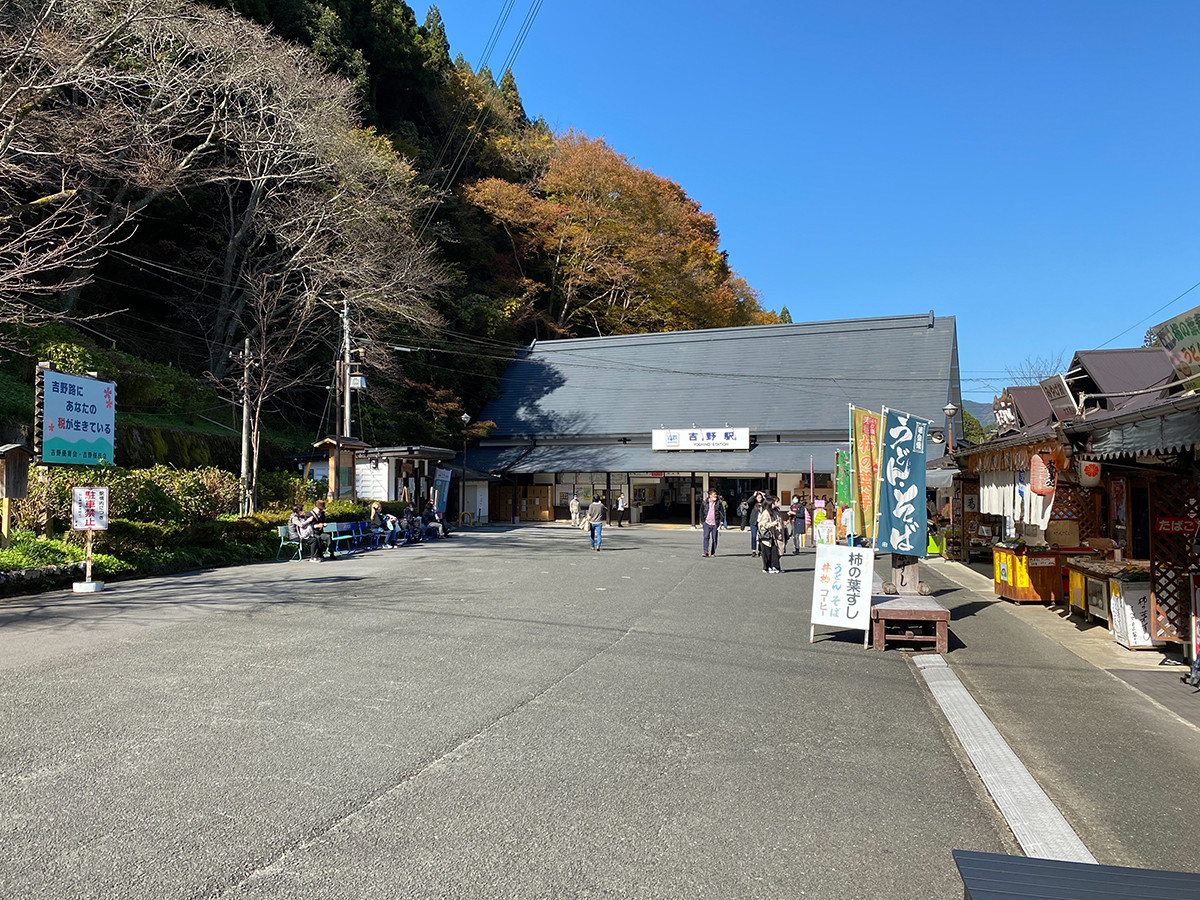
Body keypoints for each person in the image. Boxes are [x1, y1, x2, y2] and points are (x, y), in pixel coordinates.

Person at [757, 496, 783, 573]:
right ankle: (766, 567)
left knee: (774, 551)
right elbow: (763, 524)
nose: (774, 504)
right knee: (766, 552)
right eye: (773, 503)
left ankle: (774, 567)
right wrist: (774, 523)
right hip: (766, 535)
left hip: (772, 535)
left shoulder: (773, 512)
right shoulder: (765, 513)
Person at [700, 489, 724, 557]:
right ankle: (705, 551)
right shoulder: (705, 502)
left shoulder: (718, 503)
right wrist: (702, 521)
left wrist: (722, 520)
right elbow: (701, 511)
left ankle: (713, 552)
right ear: (710, 495)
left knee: (714, 538)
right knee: (706, 537)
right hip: (707, 523)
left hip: (715, 523)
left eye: (716, 495)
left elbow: (722, 512)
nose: (715, 496)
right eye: (714, 494)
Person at [747, 490, 764, 556]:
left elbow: (769, 499)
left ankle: (760, 550)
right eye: (759, 497)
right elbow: (749, 501)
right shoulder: (753, 503)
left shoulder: (763, 503)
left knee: (761, 536)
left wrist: (764, 495)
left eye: (761, 497)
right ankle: (753, 550)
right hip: (753, 522)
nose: (760, 499)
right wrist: (754, 495)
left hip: (761, 522)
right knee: (753, 536)